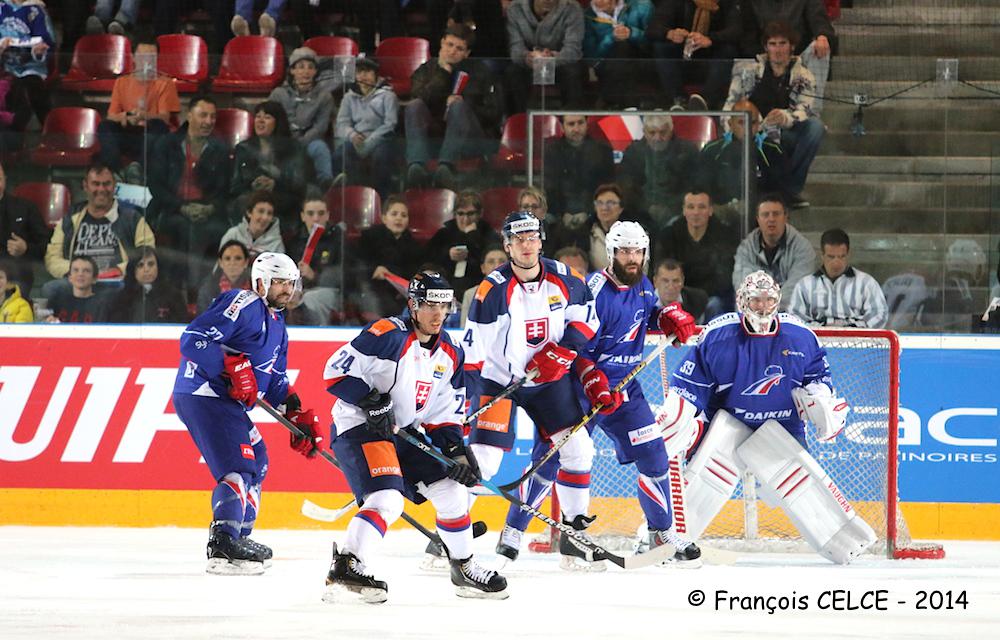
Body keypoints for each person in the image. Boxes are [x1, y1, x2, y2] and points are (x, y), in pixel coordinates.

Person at [663, 270, 877, 565]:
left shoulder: (800, 336)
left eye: (769, 300)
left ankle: (846, 542)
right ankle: (665, 538)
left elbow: (818, 375)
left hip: (783, 425)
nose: (763, 307)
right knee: (703, 480)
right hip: (727, 422)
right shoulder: (718, 336)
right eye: (756, 300)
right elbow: (690, 385)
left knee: (798, 488)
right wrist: (681, 414)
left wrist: (820, 398)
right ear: (742, 302)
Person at [322, 272, 507, 603]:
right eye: (430, 306)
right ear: (413, 305)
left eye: (444, 306)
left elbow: (444, 414)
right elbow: (335, 372)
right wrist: (372, 401)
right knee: (387, 499)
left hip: (404, 432)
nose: (438, 314)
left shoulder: (450, 352)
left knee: (452, 490)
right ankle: (347, 564)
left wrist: (456, 452)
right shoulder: (387, 335)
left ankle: (463, 567)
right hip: (360, 426)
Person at [464, 211, 602, 571]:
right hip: (500, 383)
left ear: (541, 240)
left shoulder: (566, 278)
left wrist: (564, 350)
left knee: (578, 448)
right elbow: (473, 354)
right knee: (483, 461)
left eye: (532, 238)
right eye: (518, 239)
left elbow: (587, 321)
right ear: (507, 245)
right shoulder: (491, 290)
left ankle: (574, 533)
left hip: (548, 382)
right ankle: (451, 535)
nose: (527, 245)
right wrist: (468, 397)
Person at [173, 252, 323, 575]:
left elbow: (275, 382)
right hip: (203, 393)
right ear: (261, 282)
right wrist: (228, 367)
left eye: (290, 283)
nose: (287, 289)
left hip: (224, 402)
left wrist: (298, 417)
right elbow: (193, 340)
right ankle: (223, 542)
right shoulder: (243, 303)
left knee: (259, 458)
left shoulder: (279, 326)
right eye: (279, 282)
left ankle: (239, 533)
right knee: (238, 465)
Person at [578, 221, 702, 563]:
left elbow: (645, 318)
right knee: (566, 460)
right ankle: (547, 538)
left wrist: (667, 317)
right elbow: (577, 348)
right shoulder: (594, 292)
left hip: (625, 388)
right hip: (584, 388)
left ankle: (661, 534)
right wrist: (593, 381)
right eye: (625, 251)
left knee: (653, 455)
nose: (632, 258)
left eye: (638, 251)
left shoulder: (644, 285)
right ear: (611, 252)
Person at [724, 21, 822, 209]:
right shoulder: (747, 72)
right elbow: (730, 103)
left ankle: (789, 190)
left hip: (786, 132)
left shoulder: (805, 76)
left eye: (783, 43)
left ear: (792, 46)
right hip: (751, 129)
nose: (777, 49)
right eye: (773, 44)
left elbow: (805, 109)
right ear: (765, 47)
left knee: (815, 128)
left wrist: (785, 117)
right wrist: (738, 125)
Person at [148, 94, 232, 291]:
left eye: (212, 117)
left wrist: (209, 208)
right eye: (203, 116)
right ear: (189, 116)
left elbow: (225, 189)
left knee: (207, 229)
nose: (208, 121)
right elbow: (156, 186)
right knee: (182, 228)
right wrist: (182, 207)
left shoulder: (219, 149)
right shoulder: (166, 144)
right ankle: (180, 289)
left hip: (208, 211)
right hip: (172, 208)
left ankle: (200, 289)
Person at [404, 23, 503, 190]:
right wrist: (443, 72)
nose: (452, 51)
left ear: (467, 53)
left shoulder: (481, 72)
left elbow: (494, 113)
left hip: (471, 137)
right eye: (449, 45)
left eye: (459, 48)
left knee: (458, 106)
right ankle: (416, 166)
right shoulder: (428, 69)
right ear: (442, 43)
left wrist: (464, 105)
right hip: (434, 138)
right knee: (415, 105)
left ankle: (446, 167)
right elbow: (418, 95)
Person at [44, 163, 155, 297]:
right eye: (96, 184)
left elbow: (148, 252)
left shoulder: (132, 218)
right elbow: (52, 257)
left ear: (114, 186)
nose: (101, 189)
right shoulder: (70, 219)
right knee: (50, 289)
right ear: (85, 186)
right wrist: (80, 272)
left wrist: (119, 270)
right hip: (78, 282)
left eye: (106, 184)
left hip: (119, 281)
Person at [98, 39, 181, 181]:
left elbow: (165, 118)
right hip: (129, 132)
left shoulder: (165, 83)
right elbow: (111, 116)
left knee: (158, 126)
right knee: (105, 126)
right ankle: (115, 172)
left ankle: (138, 169)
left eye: (152, 57)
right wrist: (126, 116)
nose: (147, 61)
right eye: (143, 57)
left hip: (151, 136)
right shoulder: (122, 82)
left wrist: (144, 116)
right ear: (133, 57)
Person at [655, 189, 738, 319]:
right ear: (684, 210)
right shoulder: (669, 236)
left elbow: (724, 279)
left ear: (710, 210)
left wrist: (696, 294)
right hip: (677, 293)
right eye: (691, 207)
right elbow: (662, 272)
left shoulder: (724, 236)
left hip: (710, 298)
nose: (696, 212)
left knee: (715, 304)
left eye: (702, 207)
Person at [741, 0, 836, 112]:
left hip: (799, 54)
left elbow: (819, 20)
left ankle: (813, 112)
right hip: (765, 55)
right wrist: (770, 52)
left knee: (820, 46)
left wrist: (822, 35)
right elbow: (747, 33)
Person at [647, 0, 741, 110]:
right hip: (683, 56)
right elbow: (652, 28)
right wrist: (669, 33)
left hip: (711, 57)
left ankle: (704, 100)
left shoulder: (727, 4)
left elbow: (736, 30)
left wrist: (711, 39)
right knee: (661, 47)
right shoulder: (676, 2)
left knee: (728, 50)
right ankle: (679, 99)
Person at [788, 228, 888, 328]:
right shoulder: (804, 286)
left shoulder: (866, 283)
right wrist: (821, 329)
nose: (836, 263)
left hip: (858, 340)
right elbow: (795, 317)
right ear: (822, 255)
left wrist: (852, 329)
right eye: (831, 257)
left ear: (848, 255)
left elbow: (879, 315)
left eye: (841, 257)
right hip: (816, 341)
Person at [695, 99, 787, 207]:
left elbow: (780, 194)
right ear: (731, 124)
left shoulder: (774, 151)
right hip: (720, 213)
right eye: (741, 123)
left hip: (760, 215)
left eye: (752, 123)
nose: (747, 128)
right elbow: (701, 189)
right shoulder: (712, 150)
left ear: (758, 125)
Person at [230, 101, 310, 226]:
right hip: (251, 200)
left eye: (267, 117)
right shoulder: (243, 148)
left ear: (278, 122)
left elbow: (299, 185)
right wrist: (252, 185)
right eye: (258, 116)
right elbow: (234, 186)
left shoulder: (293, 148)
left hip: (282, 200)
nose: (261, 121)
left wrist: (275, 184)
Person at [732, 193, 815, 310]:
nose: (771, 219)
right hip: (753, 311)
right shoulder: (746, 248)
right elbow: (742, 284)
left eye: (776, 214)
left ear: (786, 217)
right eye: (765, 215)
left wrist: (769, 306)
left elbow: (798, 288)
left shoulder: (803, 248)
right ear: (758, 219)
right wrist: (759, 306)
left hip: (789, 313)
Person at [268, 47, 335, 190]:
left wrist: (301, 143)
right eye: (301, 67)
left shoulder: (324, 96)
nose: (306, 71)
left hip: (309, 141)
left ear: (316, 72)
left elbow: (320, 127)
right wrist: (287, 142)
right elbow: (270, 120)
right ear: (292, 70)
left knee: (320, 147)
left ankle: (327, 185)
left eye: (311, 67)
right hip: (283, 141)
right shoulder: (278, 94)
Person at [333, 55, 398, 198]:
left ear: (376, 74)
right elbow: (342, 123)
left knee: (382, 155)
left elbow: (390, 123)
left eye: (368, 72)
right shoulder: (348, 97)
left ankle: (381, 196)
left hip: (380, 139)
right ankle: (356, 193)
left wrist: (369, 142)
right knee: (341, 154)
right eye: (360, 72)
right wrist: (352, 135)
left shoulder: (388, 95)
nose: (363, 76)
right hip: (356, 139)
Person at [505, 0, 586, 113]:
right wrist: (528, 57)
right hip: (529, 62)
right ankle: (519, 120)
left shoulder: (572, 8)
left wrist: (551, 57)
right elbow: (515, 47)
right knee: (512, 72)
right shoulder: (515, 9)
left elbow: (573, 49)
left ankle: (571, 121)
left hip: (559, 61)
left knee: (574, 72)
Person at [352, 195, 424, 322]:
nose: (399, 218)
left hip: (399, 294)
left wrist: (391, 273)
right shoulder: (369, 237)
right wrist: (374, 270)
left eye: (403, 215)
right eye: (394, 214)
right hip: (370, 287)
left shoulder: (413, 245)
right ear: (384, 218)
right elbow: (357, 264)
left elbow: (414, 272)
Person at [618, 114, 697, 224]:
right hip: (640, 213)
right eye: (652, 133)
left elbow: (693, 187)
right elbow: (626, 187)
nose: (657, 138)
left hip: (680, 214)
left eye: (663, 132)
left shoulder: (687, 152)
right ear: (644, 132)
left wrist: (671, 207)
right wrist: (647, 207)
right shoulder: (633, 153)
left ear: (671, 131)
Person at [425, 189, 501, 299]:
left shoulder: (488, 233)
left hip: (477, 287)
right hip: (446, 286)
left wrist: (473, 236)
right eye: (461, 214)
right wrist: (447, 254)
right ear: (455, 214)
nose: (465, 219)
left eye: (470, 214)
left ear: (480, 214)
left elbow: (492, 259)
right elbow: (428, 259)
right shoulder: (445, 233)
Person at [0, 0, 54, 152]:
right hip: (4, 69)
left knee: (30, 86)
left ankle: (49, 132)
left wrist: (39, 51)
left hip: (31, 68)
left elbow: (48, 43)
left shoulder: (36, 10)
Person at [563, 183, 652, 273]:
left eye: (610, 203)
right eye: (599, 203)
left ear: (621, 208)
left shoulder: (635, 233)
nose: (604, 208)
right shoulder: (586, 233)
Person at [284, 192, 343, 326]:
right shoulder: (294, 240)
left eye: (321, 214)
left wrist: (315, 276)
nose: (316, 218)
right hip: (300, 290)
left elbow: (344, 274)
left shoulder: (337, 238)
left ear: (327, 215)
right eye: (310, 214)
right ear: (303, 216)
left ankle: (318, 339)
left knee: (311, 299)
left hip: (330, 291)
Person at [542, 114, 615, 223]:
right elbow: (551, 189)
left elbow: (606, 189)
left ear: (587, 124)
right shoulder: (552, 152)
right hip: (560, 215)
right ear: (562, 127)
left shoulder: (603, 151)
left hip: (595, 214)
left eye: (580, 123)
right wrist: (562, 214)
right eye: (571, 124)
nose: (576, 129)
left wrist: (589, 213)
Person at [582, 0, 654, 109]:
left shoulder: (642, 6)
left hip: (640, 60)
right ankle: (628, 106)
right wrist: (611, 38)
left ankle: (611, 104)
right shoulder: (586, 16)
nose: (598, 1)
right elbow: (592, 57)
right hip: (607, 66)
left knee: (623, 47)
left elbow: (653, 41)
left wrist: (631, 33)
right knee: (619, 49)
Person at [0, 162, 49, 294]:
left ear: (5, 180)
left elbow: (46, 245)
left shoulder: (25, 208)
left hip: (15, 276)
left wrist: (26, 248)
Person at [107, 247, 187, 323]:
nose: (146, 269)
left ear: (158, 267)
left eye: (151, 264)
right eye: (140, 265)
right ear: (133, 270)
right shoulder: (122, 299)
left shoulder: (173, 296)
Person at [219, 190, 285, 260]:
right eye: (261, 211)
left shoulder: (277, 244)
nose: (265, 217)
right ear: (249, 213)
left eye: (269, 213)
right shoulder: (232, 235)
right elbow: (220, 265)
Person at [46, 255, 110, 323]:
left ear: (94, 278)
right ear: (69, 277)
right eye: (76, 270)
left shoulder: (103, 305)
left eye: (86, 271)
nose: (80, 274)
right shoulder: (56, 301)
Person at [197, 239, 252, 312]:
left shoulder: (257, 286)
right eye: (227, 258)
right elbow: (202, 318)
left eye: (238, 258)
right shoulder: (208, 288)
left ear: (246, 262)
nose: (232, 263)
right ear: (220, 263)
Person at [459, 244, 506, 327]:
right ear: (483, 268)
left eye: (502, 261)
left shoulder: (518, 290)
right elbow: (464, 328)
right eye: (491, 262)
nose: (496, 266)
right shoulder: (471, 294)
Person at [653, 258, 708, 322]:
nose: (670, 286)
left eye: (675, 281)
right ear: (655, 282)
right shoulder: (644, 303)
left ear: (682, 281)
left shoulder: (697, 300)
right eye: (665, 281)